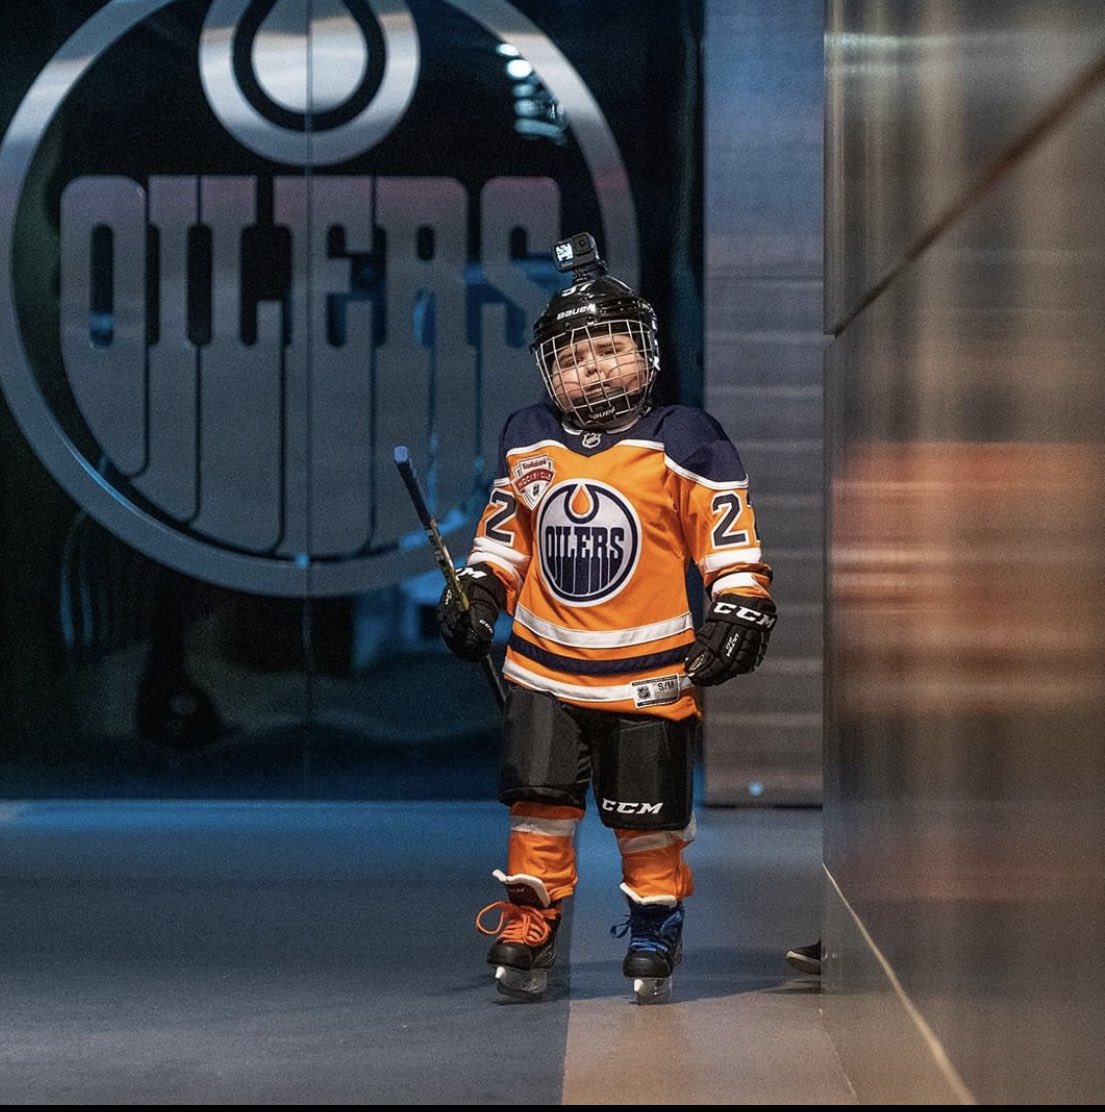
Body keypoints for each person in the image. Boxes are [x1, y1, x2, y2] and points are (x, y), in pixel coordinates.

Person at [436, 232, 776, 1004]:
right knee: (538, 805)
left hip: (649, 675)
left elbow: (726, 541)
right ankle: (533, 915)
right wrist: (476, 596)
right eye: (571, 357)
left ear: (646, 353)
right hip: (544, 669)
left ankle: (655, 916)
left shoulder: (685, 438)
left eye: (609, 349)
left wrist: (741, 604)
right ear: (547, 369)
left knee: (646, 817)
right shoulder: (528, 437)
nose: (590, 367)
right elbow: (503, 538)